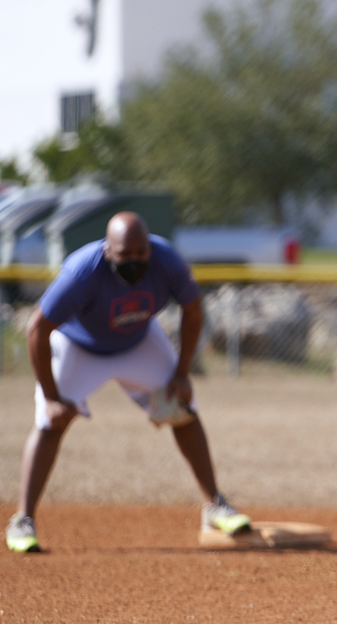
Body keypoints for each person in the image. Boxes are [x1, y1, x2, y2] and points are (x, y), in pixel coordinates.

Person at [5, 211, 251, 553]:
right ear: (108, 251)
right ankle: (23, 520)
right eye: (125, 255)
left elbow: (193, 310)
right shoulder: (83, 272)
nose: (135, 260)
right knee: (49, 423)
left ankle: (215, 505)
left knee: (181, 407)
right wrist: (50, 396)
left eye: (140, 253)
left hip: (138, 342)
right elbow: (37, 328)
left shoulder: (167, 262)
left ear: (149, 247)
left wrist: (181, 374)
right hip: (80, 346)